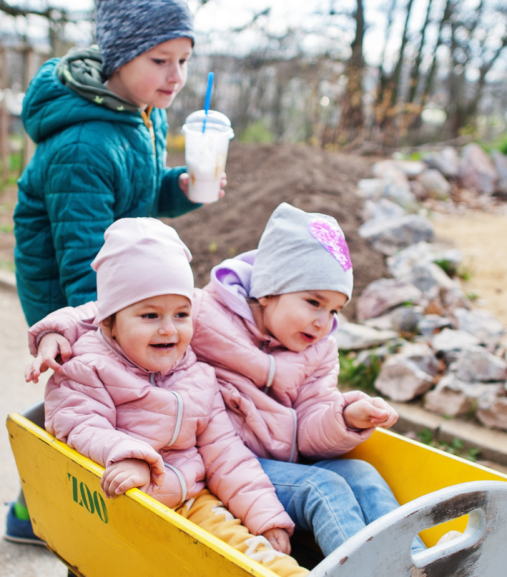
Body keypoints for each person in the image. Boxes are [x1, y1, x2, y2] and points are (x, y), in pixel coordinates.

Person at [29, 203, 424, 558]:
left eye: (335, 310)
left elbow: (309, 429)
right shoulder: (201, 313)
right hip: (230, 460)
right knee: (326, 489)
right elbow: (116, 308)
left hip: (283, 463)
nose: (324, 321)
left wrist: (345, 418)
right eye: (313, 302)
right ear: (269, 291)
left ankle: (420, 563)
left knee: (364, 476)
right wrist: (56, 331)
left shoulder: (320, 350)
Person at [7, 0, 223, 543]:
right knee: (92, 399)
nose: (176, 76)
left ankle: (44, 506)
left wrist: (180, 188)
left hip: (123, 286)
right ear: (120, 60)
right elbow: (83, 257)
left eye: (184, 60)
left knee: (117, 399)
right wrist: (88, 331)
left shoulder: (139, 115)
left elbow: (140, 196)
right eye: (160, 60)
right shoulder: (84, 144)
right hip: (76, 294)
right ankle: (46, 510)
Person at [44, 218, 307, 577]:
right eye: (150, 315)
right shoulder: (88, 366)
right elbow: (77, 423)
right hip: (123, 507)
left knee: (257, 560)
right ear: (109, 323)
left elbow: (226, 455)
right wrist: (129, 456)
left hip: (193, 501)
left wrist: (265, 515)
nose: (168, 328)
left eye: (181, 314)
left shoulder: (197, 376)